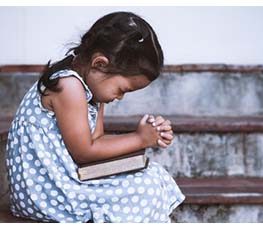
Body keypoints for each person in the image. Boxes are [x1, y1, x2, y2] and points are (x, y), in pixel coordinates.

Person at [5, 11, 185, 223]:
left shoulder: (91, 90)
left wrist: (149, 136)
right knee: (146, 188)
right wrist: (139, 138)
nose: (119, 97)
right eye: (122, 89)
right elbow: (85, 152)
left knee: (153, 176)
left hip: (64, 182)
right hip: (45, 193)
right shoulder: (68, 86)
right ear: (100, 64)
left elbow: (96, 141)